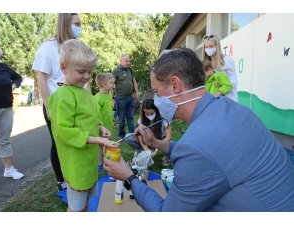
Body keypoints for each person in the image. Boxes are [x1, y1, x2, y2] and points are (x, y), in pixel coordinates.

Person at [104, 48, 294, 211]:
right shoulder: (235, 109)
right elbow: (214, 154)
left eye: (156, 92)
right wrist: (160, 144)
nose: (156, 99)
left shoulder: (195, 146)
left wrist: (128, 177)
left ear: (175, 85)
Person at [48, 39, 118, 212]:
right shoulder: (63, 96)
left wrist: (101, 127)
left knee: (85, 200)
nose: (87, 76)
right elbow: (63, 130)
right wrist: (99, 140)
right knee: (76, 206)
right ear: (64, 68)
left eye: (89, 71)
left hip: (88, 159)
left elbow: (92, 116)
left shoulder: (85, 94)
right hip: (75, 162)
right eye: (81, 71)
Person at [32, 13, 90, 191]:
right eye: (76, 24)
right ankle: (61, 181)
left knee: (78, 138)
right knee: (59, 142)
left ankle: (78, 175)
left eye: (80, 24)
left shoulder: (79, 47)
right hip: (58, 104)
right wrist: (48, 106)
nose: (79, 27)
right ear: (65, 23)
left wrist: (90, 101)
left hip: (78, 103)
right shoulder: (49, 47)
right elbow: (41, 78)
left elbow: (86, 77)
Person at [0, 37, 24, 179]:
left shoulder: (4, 67)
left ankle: (9, 170)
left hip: (6, 109)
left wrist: (14, 85)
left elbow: (18, 77)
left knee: (4, 140)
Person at [126, 98, 172, 166]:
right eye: (147, 114)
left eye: (152, 113)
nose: (150, 116)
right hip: (147, 141)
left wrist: (157, 147)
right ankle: (143, 153)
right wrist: (146, 149)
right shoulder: (141, 120)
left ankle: (167, 156)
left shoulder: (164, 120)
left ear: (156, 110)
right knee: (128, 137)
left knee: (170, 143)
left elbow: (168, 137)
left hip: (161, 141)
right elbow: (139, 136)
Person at [202, 34, 238, 102]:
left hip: (227, 99)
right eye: (206, 47)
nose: (208, 49)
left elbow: (233, 80)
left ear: (217, 46)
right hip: (212, 101)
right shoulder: (206, 63)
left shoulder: (226, 60)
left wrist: (221, 88)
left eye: (211, 46)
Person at [112, 54, 139, 139]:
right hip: (120, 99)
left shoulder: (130, 70)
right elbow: (111, 84)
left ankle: (132, 135)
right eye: (126, 61)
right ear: (121, 61)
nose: (128, 63)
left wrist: (136, 93)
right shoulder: (116, 71)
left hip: (130, 98)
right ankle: (122, 136)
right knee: (121, 120)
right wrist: (112, 98)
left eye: (129, 61)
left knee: (130, 118)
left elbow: (134, 81)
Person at [94, 73, 115, 169]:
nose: (112, 85)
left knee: (107, 143)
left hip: (108, 126)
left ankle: (107, 160)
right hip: (101, 128)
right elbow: (96, 114)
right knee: (100, 145)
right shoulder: (97, 98)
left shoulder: (108, 95)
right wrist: (100, 127)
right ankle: (99, 163)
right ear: (104, 85)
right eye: (110, 83)